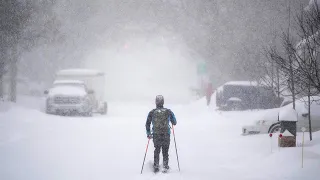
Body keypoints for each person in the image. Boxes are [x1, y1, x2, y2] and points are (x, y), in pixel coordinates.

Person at [145, 95, 177, 173]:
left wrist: (148, 133)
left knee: (157, 150)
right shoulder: (168, 111)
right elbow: (175, 122)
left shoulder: (152, 112)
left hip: (156, 135)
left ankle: (156, 166)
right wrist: (171, 121)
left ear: (156, 102)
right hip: (166, 134)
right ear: (163, 102)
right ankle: (165, 166)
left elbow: (147, 124)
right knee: (165, 150)